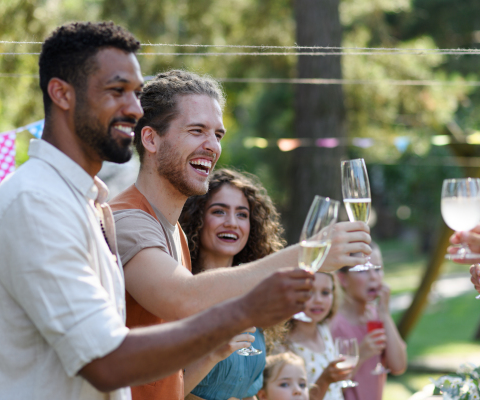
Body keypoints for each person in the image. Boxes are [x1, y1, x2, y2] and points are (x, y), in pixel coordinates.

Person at [0, 21, 316, 400]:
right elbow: (107, 361)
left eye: (136, 93)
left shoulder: (89, 205)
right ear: (62, 94)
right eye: (117, 91)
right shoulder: (35, 203)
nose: (133, 108)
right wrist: (243, 309)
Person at [109, 69, 373, 399]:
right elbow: (181, 297)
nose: (212, 146)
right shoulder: (129, 218)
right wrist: (309, 254)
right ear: (150, 139)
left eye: (217, 134)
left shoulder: (172, 230)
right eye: (197, 131)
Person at [178, 168, 286, 400]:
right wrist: (213, 354)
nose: (231, 223)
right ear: (196, 217)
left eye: (242, 214)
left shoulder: (254, 296)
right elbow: (157, 392)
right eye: (219, 211)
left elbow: (248, 390)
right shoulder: (178, 290)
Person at [330, 244, 407, 400]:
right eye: (363, 270)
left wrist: (385, 314)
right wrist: (361, 354)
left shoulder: (377, 317)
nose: (374, 277)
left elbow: (398, 366)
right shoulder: (333, 325)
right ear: (343, 279)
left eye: (378, 269)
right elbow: (330, 387)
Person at [281, 272, 353, 400]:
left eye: (325, 292)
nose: (318, 300)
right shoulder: (285, 345)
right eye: (309, 292)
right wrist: (325, 380)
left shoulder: (323, 330)